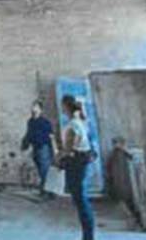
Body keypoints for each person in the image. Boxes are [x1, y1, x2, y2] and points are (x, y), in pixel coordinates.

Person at [59, 94, 96, 240]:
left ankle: (88, 237)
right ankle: (88, 235)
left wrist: (57, 157)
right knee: (80, 198)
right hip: (81, 161)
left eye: (62, 106)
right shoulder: (80, 121)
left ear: (66, 106)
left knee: (80, 199)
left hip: (76, 163)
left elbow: (68, 149)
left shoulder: (73, 125)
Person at [19, 100, 55, 198]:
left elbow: (51, 136)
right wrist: (24, 144)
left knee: (45, 171)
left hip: (44, 148)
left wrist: (54, 150)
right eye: (32, 106)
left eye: (35, 107)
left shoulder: (45, 122)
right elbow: (29, 134)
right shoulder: (30, 122)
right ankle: (47, 192)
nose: (33, 108)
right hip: (35, 148)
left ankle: (47, 192)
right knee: (40, 170)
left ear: (41, 110)